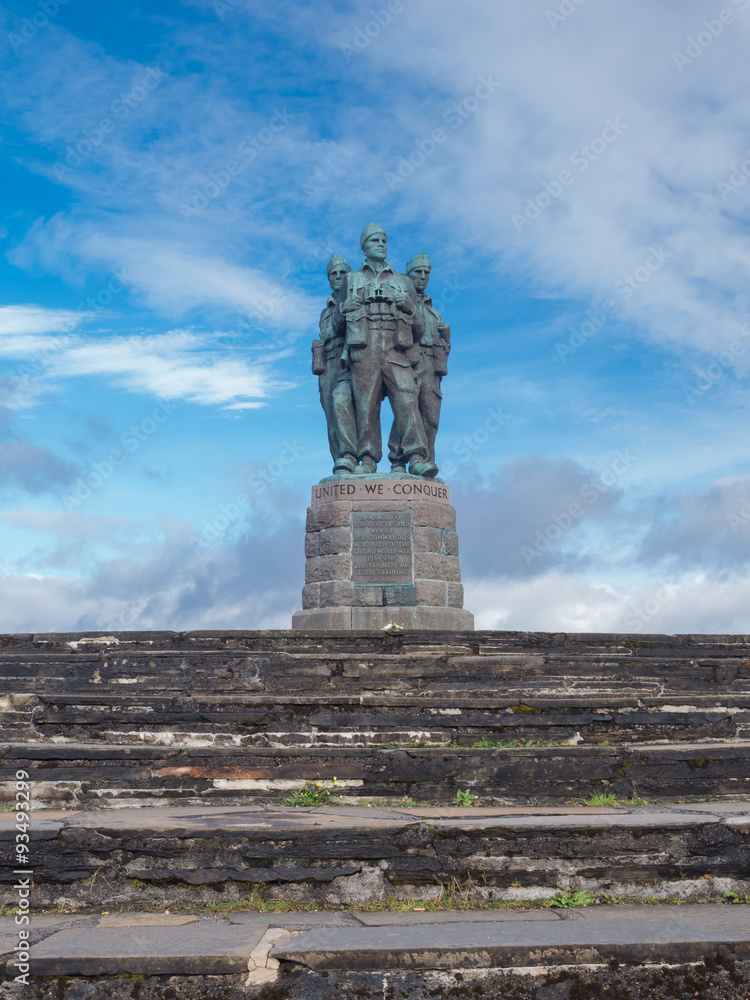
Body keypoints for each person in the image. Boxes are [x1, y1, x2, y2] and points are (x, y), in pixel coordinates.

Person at [336, 224, 436, 478]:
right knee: (366, 405)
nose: (381, 244)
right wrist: (344, 307)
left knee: (406, 398)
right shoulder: (352, 280)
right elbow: (336, 327)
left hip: (395, 350)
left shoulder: (402, 281)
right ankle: (368, 460)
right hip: (364, 349)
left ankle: (415, 458)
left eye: (384, 240)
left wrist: (411, 308)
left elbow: (421, 330)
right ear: (363, 247)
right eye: (374, 241)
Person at [388, 253, 450, 472]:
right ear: (408, 275)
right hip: (409, 363)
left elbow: (445, 349)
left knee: (430, 418)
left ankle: (427, 461)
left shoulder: (435, 314)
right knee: (407, 410)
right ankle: (398, 459)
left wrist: (447, 338)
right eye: (418, 272)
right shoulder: (401, 302)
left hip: (432, 368)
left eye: (427, 272)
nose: (423, 276)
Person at [311, 255, 358, 474]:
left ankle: (355, 457)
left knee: (347, 406)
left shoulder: (357, 300)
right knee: (332, 421)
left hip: (350, 362)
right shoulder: (326, 310)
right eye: (334, 273)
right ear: (329, 279)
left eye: (342, 272)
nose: (338, 277)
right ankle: (341, 463)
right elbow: (326, 333)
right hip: (328, 364)